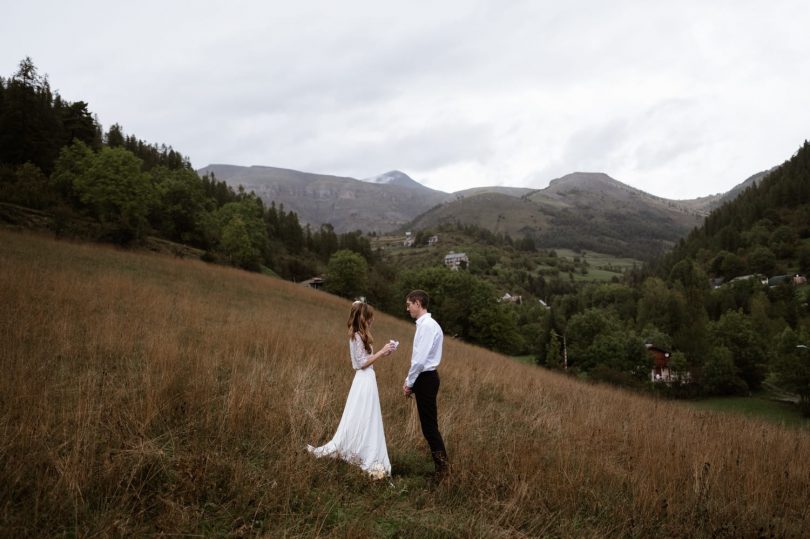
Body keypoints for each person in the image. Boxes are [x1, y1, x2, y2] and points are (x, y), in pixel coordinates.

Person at [307, 300, 396, 479]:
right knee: (362, 415)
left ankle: (359, 447)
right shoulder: (355, 336)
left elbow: (367, 359)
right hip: (363, 380)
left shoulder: (362, 336)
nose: (371, 321)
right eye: (369, 318)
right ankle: (357, 449)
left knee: (366, 416)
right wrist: (380, 352)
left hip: (368, 379)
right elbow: (361, 364)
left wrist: (384, 353)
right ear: (363, 318)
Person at [403, 290, 449, 480]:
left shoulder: (428, 326)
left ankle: (443, 471)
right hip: (425, 377)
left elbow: (420, 360)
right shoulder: (426, 325)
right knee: (429, 426)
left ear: (418, 303)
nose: (407, 309)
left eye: (409, 305)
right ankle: (442, 469)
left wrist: (409, 382)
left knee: (430, 427)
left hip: (426, 377)